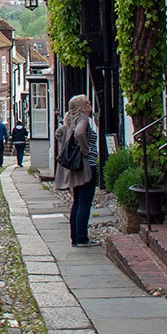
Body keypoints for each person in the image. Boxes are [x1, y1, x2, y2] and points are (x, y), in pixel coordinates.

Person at [54, 95, 99, 247]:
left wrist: (67, 145)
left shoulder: (71, 120)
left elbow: (59, 133)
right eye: (87, 102)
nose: (90, 103)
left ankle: (76, 238)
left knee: (77, 202)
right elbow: (80, 133)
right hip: (87, 165)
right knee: (85, 202)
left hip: (77, 167)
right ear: (81, 107)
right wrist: (85, 151)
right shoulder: (83, 120)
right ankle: (82, 238)